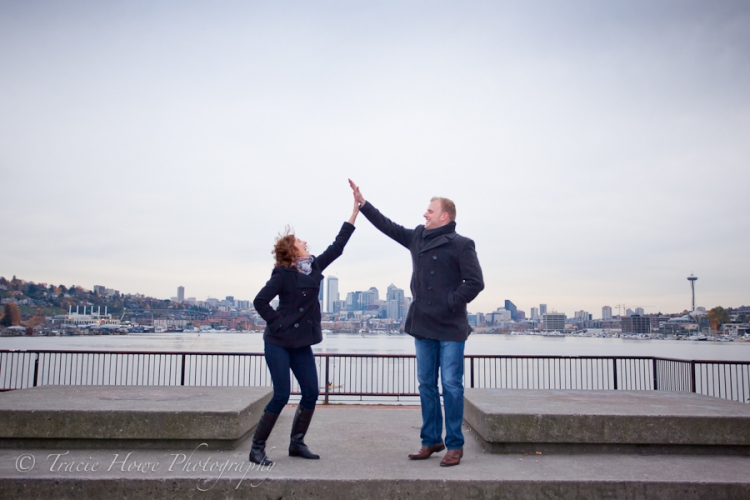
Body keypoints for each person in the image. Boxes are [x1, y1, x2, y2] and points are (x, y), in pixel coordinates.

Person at [349, 179, 484, 467]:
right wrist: (363, 204)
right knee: (425, 384)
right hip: (423, 324)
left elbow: (475, 283)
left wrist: (450, 301)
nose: (425, 214)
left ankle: (455, 445)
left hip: (450, 326)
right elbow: (389, 227)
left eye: (430, 211)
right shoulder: (418, 237)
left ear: (444, 216)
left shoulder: (462, 244)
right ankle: (430, 440)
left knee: (451, 385)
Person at [250, 197, 359, 466]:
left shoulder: (314, 268)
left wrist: (354, 212)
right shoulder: (282, 274)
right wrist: (278, 323)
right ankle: (256, 448)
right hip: (278, 342)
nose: (305, 243)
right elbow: (260, 302)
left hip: (300, 343)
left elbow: (338, 246)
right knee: (281, 394)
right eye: (300, 242)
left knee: (311, 391)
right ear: (291, 250)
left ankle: (296, 443)